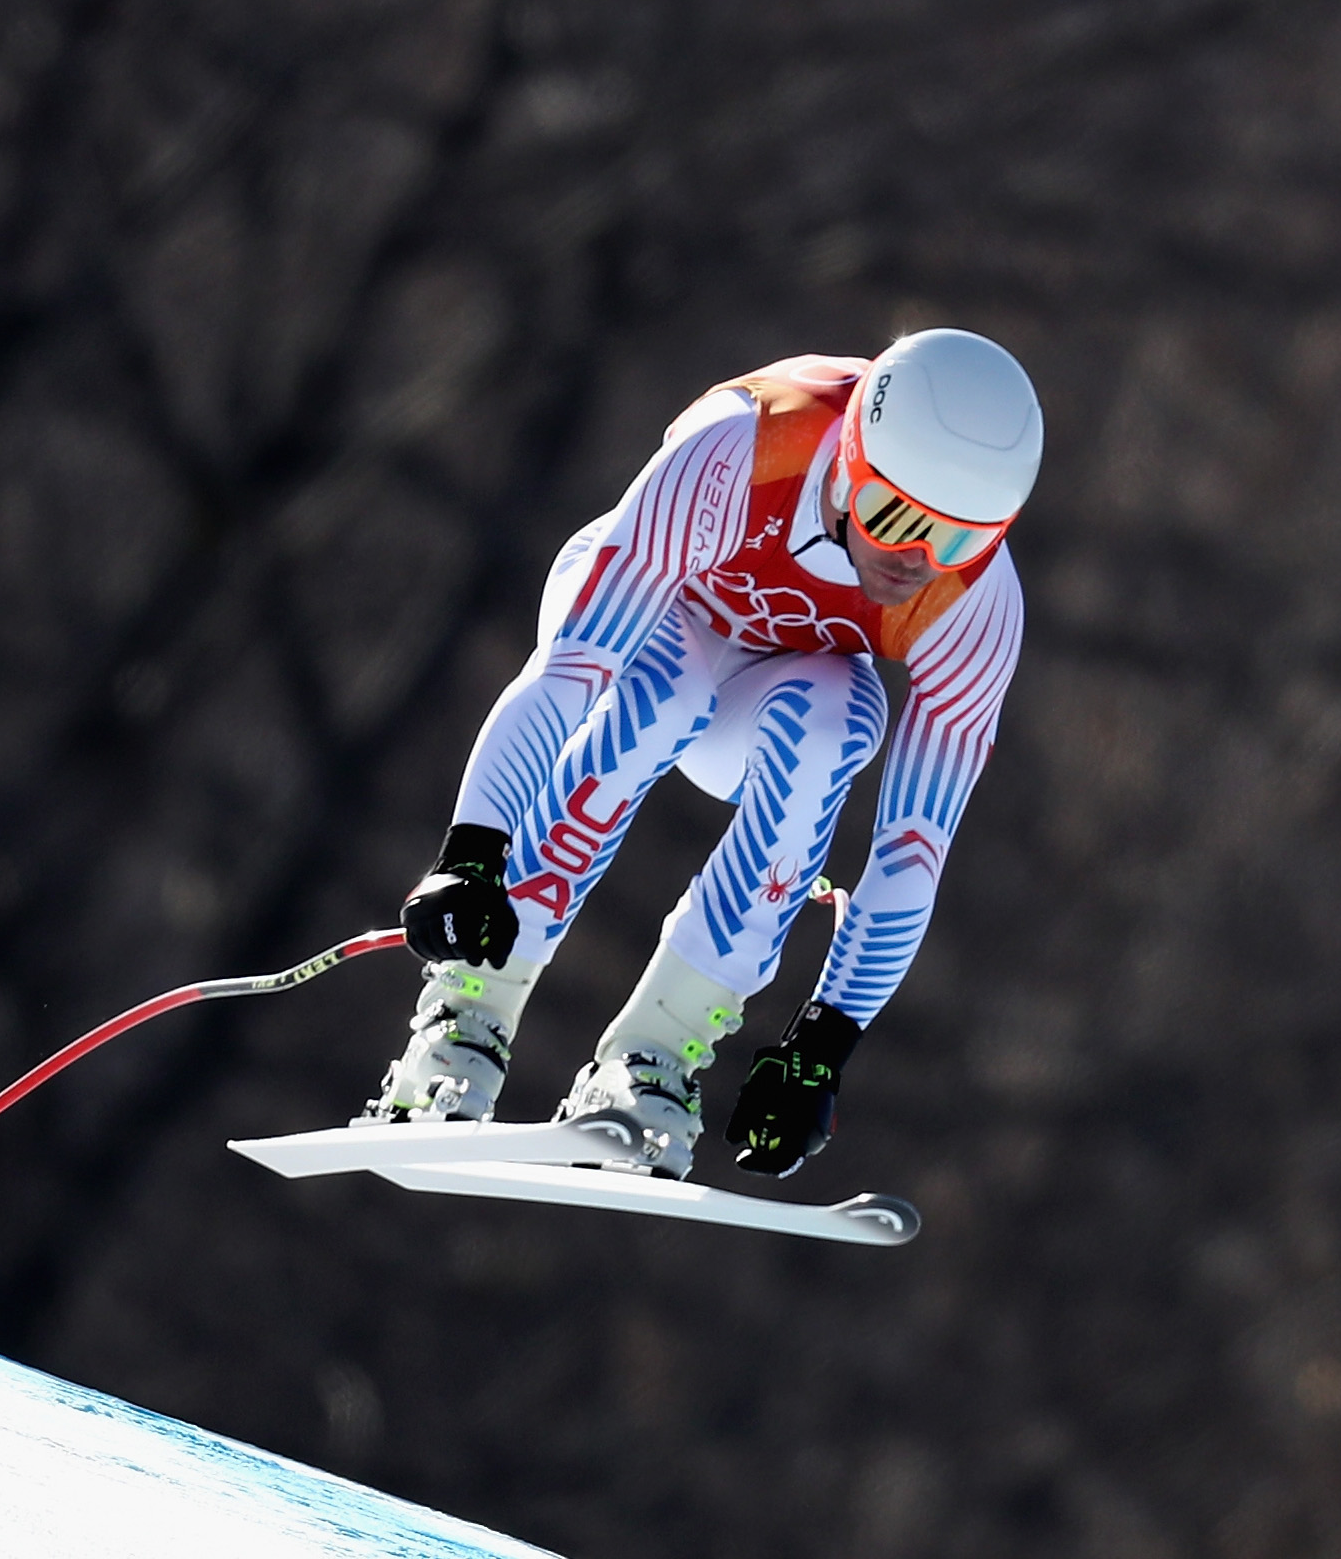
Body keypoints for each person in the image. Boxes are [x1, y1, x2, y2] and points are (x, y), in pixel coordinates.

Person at [372, 329, 1036, 1180]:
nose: (917, 563)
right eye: (897, 519)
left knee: (839, 722)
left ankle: (654, 1060)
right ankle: (465, 1023)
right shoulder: (744, 450)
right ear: (852, 465)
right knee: (665, 692)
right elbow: (572, 672)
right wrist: (471, 854)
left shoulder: (974, 603)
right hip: (649, 623)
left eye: (958, 541)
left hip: (772, 696)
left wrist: (821, 1045)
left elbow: (913, 847)